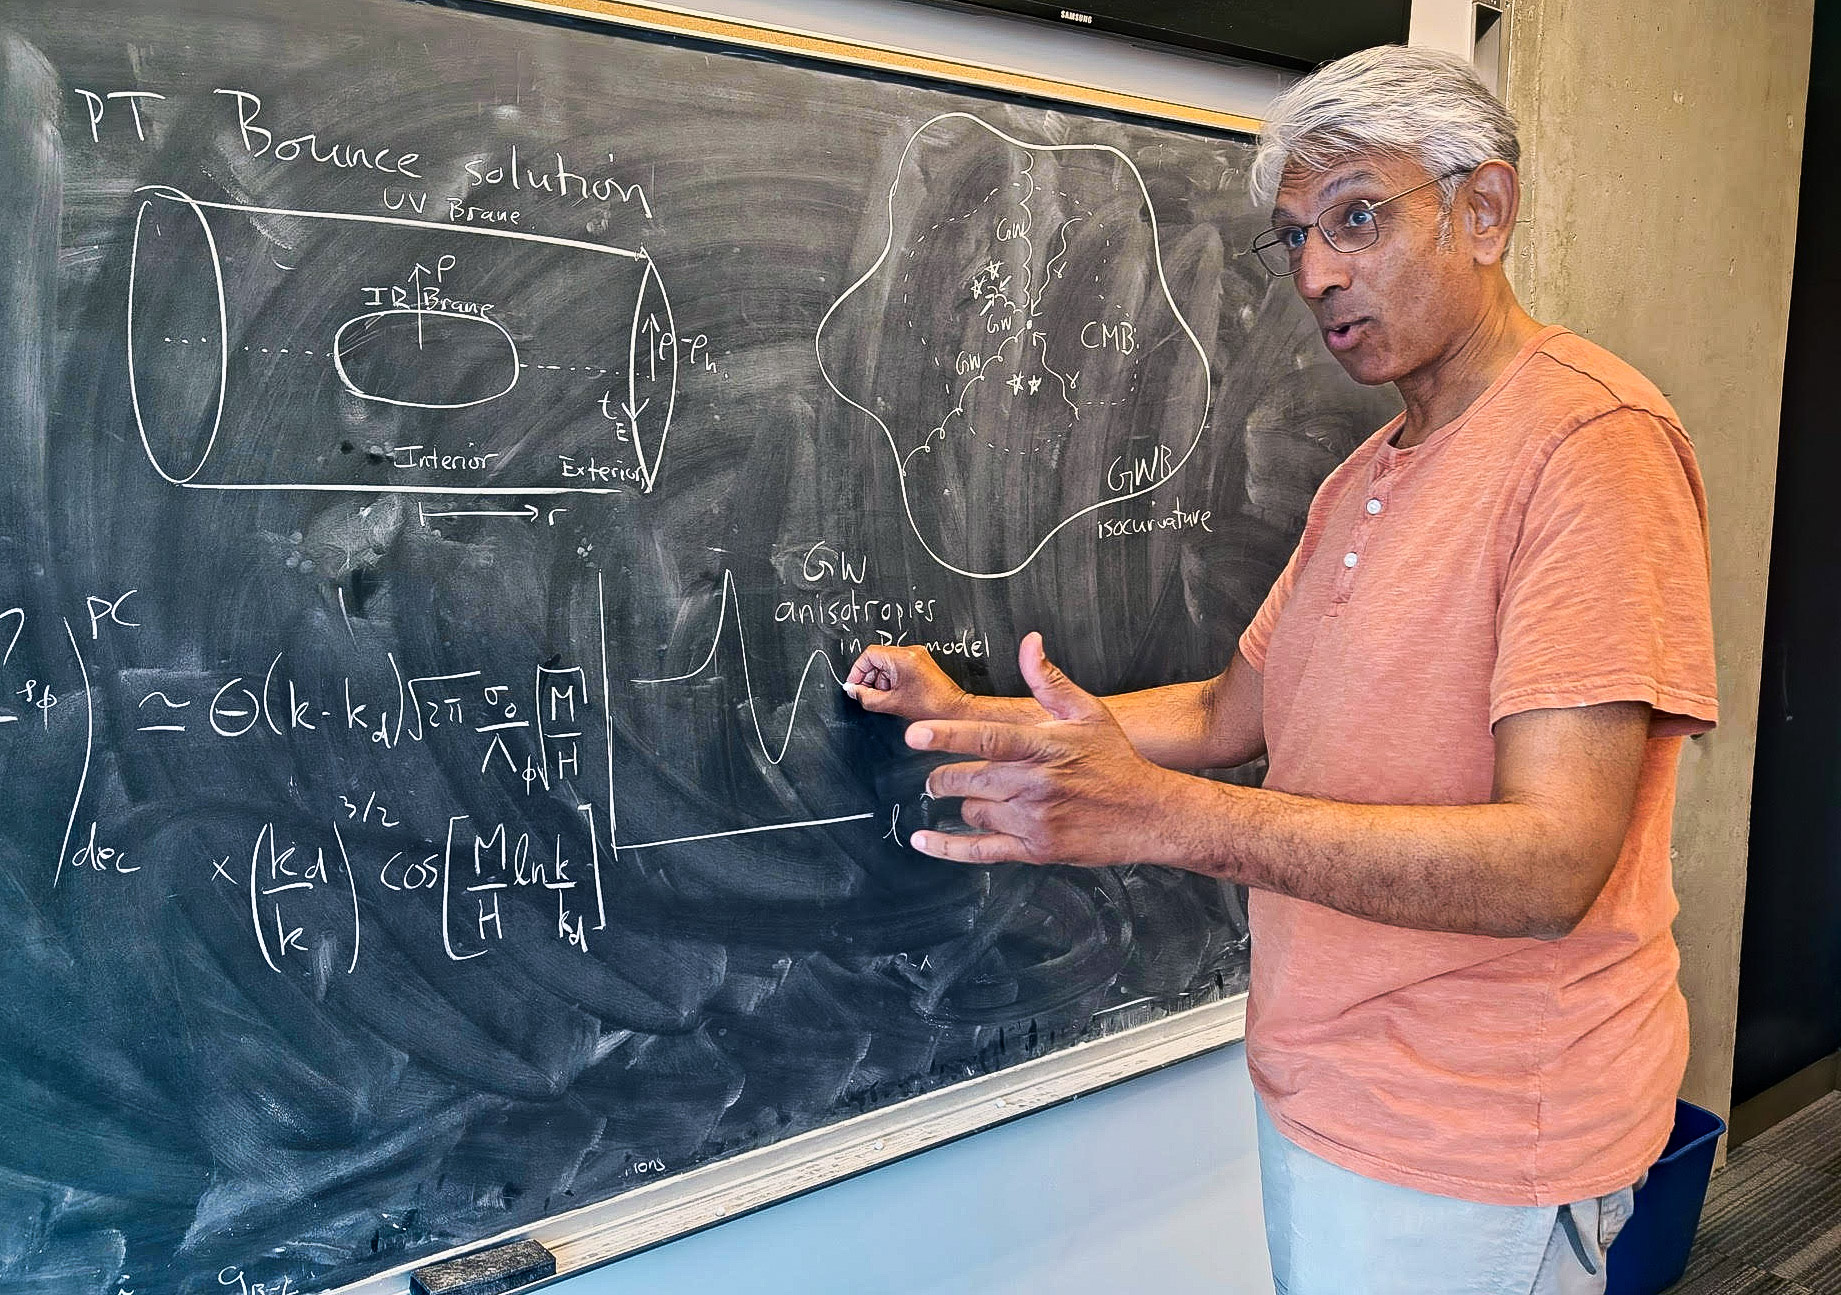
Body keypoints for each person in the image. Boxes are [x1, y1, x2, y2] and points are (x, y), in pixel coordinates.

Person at [846, 44, 1717, 1295]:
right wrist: (974, 716)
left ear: (1484, 209)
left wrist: (1164, 819)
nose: (1314, 273)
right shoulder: (1361, 479)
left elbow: (1550, 863)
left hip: (1478, 1132)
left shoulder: (1590, 448)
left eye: (1356, 216)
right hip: (1331, 1092)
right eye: (1295, 236)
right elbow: (1223, 709)